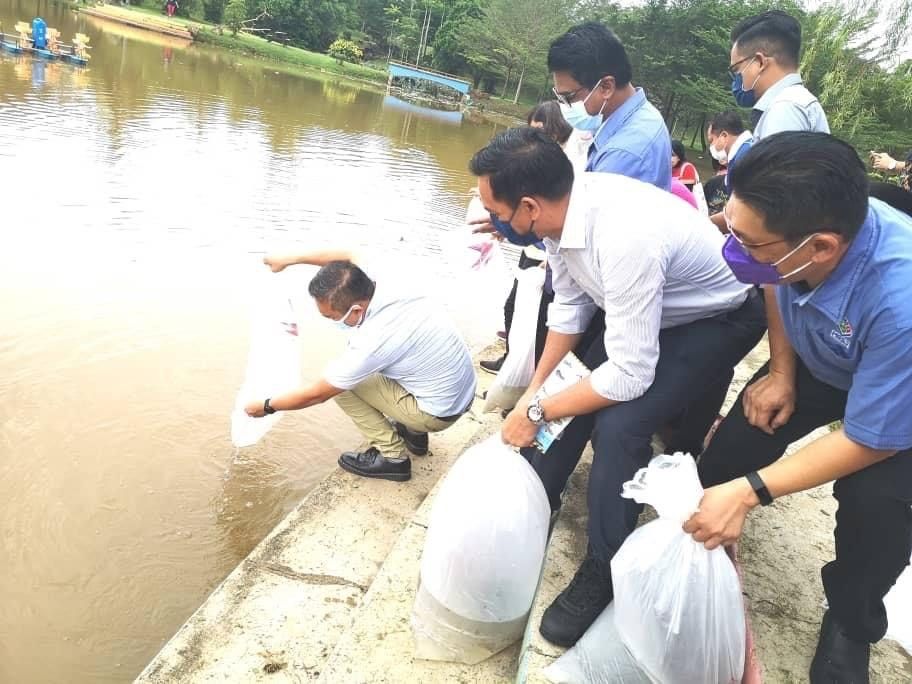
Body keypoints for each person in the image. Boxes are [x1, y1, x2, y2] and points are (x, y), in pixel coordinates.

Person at [470, 127, 767, 647]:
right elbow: (570, 308)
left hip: (719, 315)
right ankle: (536, 498)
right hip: (651, 308)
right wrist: (534, 394)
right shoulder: (560, 220)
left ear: (528, 207)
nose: (492, 222)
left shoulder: (624, 235)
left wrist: (539, 415)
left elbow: (630, 375)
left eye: (495, 212)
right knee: (570, 388)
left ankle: (604, 568)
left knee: (621, 423)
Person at [683, 132, 912, 684]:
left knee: (876, 509)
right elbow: (771, 279)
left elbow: (870, 438)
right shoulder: (789, 238)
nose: (731, 246)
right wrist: (782, 370)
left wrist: (752, 491)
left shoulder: (900, 298)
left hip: (899, 391)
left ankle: (853, 623)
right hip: (815, 359)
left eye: (745, 239)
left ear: (823, 248)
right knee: (727, 457)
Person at [244, 251, 476, 482]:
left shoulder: (373, 341)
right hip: (460, 394)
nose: (333, 322)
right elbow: (348, 254)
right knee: (385, 368)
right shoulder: (387, 281)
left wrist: (266, 406)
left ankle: (393, 458)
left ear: (355, 310)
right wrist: (289, 259)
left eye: (332, 317)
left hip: (438, 414)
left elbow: (316, 395)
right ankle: (415, 436)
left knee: (342, 387)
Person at [548, 22, 671, 189]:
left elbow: (590, 212)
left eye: (569, 97)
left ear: (606, 87)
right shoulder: (640, 116)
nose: (565, 106)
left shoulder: (624, 154)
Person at [729, 10, 829, 138]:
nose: (736, 78)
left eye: (737, 69)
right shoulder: (795, 102)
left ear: (760, 62)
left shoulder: (784, 109)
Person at [706, 110, 754, 231]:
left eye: (712, 140)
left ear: (723, 136)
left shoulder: (743, 160)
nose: (711, 147)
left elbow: (741, 212)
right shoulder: (746, 150)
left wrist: (705, 224)